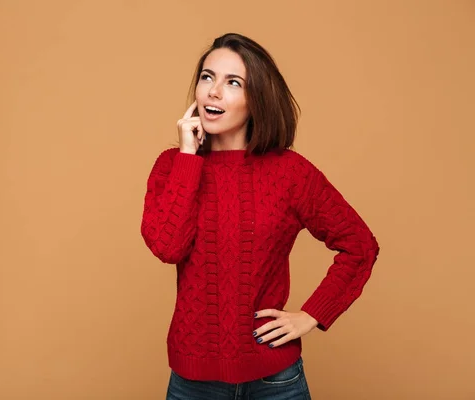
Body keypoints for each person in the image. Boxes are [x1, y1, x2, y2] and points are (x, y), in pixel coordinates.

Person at [140, 32, 380, 400]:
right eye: (208, 77)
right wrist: (188, 156)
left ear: (257, 100)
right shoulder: (172, 165)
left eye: (233, 82)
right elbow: (167, 246)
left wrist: (312, 314)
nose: (213, 92)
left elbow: (359, 245)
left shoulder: (290, 173)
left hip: (275, 380)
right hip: (193, 383)